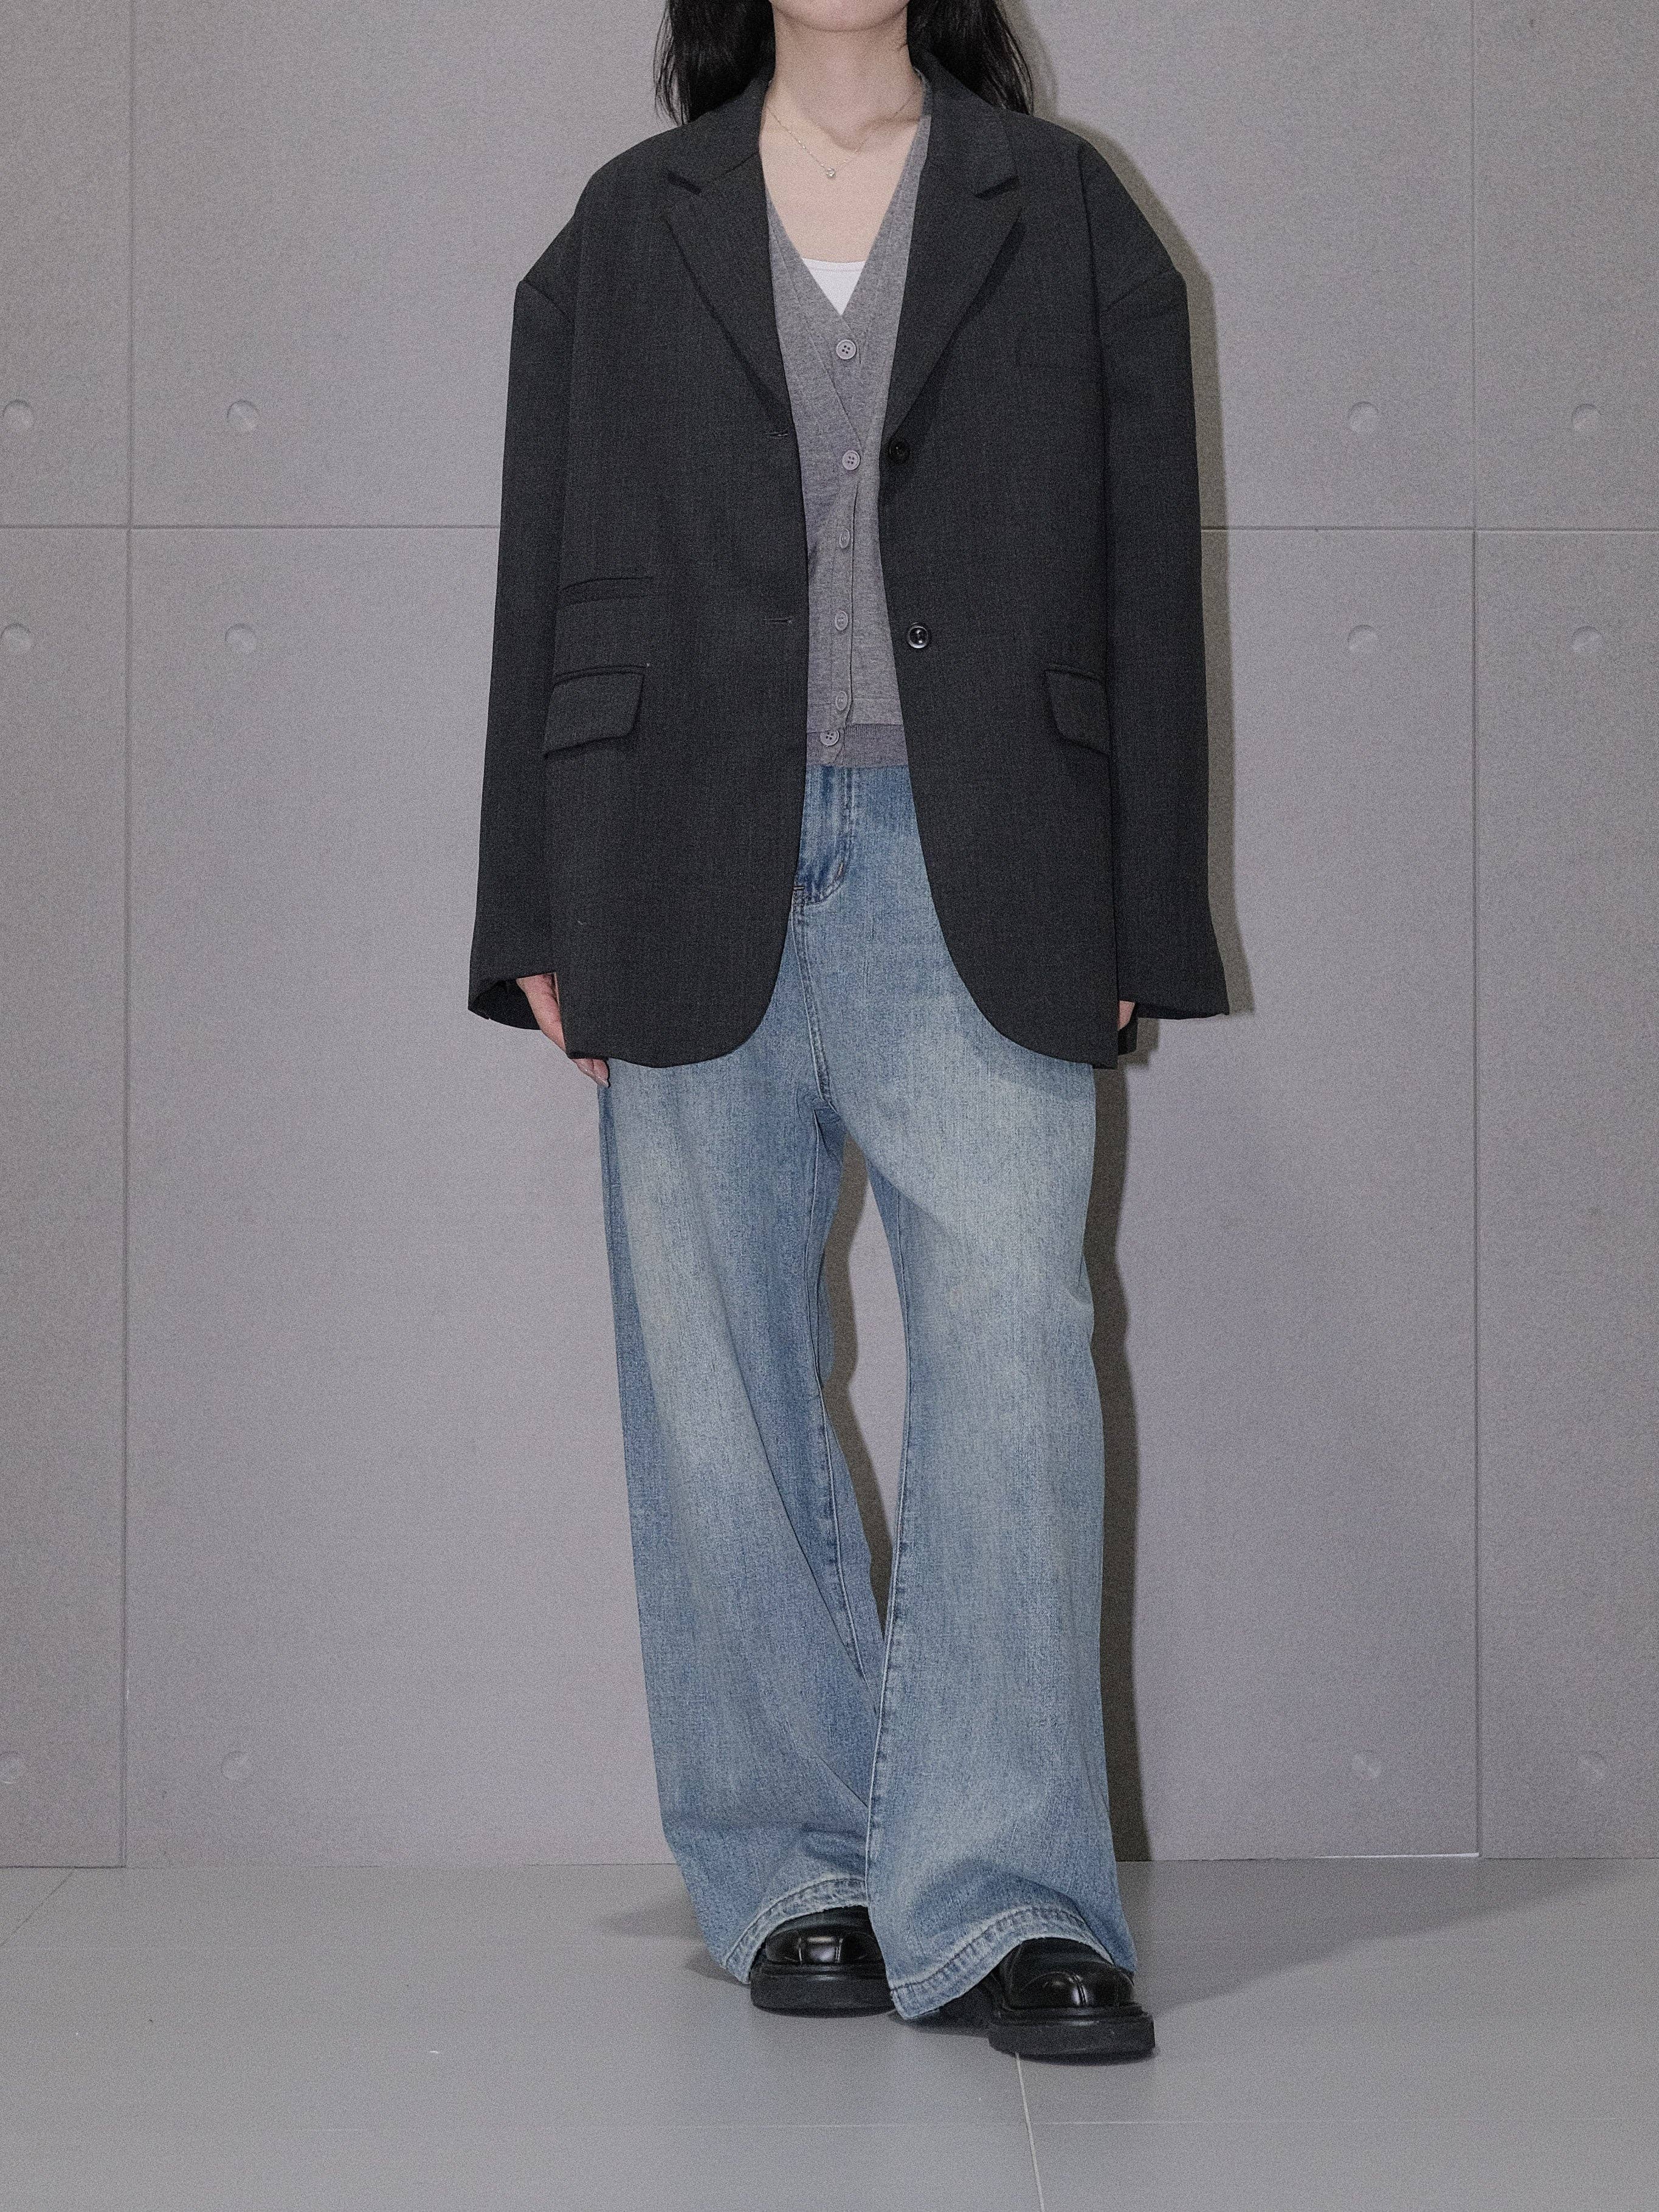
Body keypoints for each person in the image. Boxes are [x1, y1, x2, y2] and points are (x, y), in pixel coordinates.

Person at [467, 0, 1227, 2062]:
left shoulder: (1058, 209)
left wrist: (1143, 898)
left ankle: (1007, 1894)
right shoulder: (628, 220)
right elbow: (544, 563)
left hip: (984, 848)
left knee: (1015, 1360)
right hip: (668, 840)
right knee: (712, 1374)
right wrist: (529, 908)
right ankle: (791, 1865)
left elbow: (1146, 574)